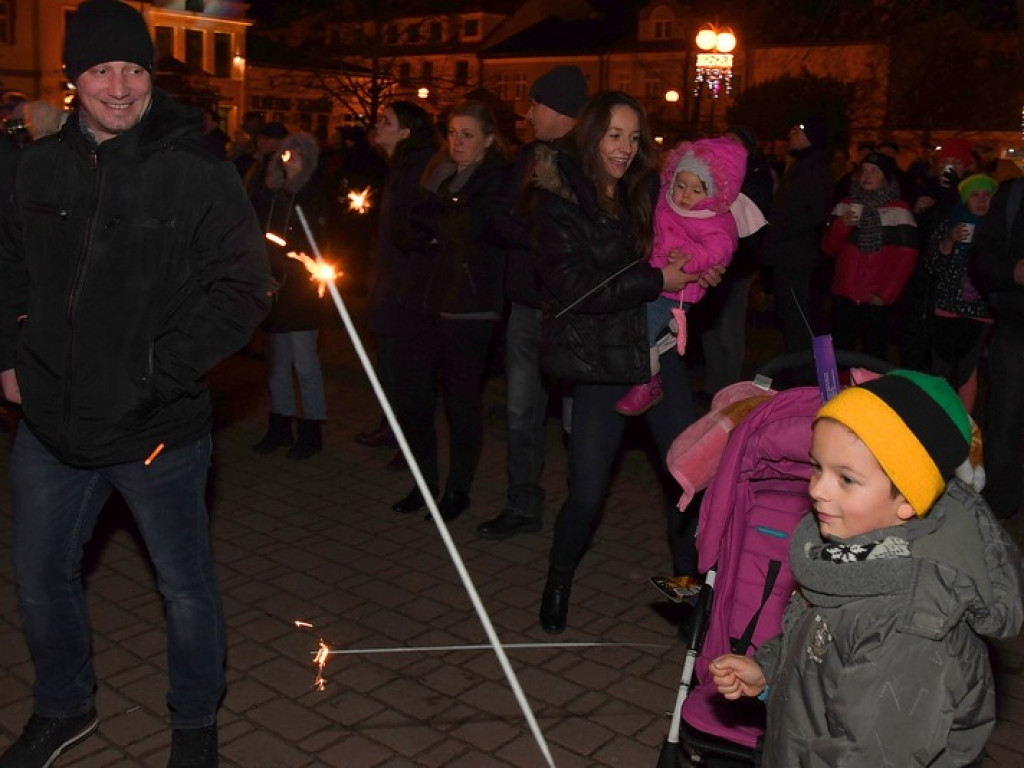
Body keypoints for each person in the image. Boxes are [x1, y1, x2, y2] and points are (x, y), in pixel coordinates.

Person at [0, 2, 271, 766]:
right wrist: (7, 358)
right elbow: (9, 264)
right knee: (39, 578)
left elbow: (247, 287)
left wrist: (160, 370)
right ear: (73, 78)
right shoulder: (39, 164)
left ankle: (193, 725)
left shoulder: (196, 169)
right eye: (100, 71)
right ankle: (64, 706)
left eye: (132, 70)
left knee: (185, 589)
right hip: (51, 421)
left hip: (157, 428)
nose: (118, 87)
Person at [709, 370, 1023, 765]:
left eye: (846, 479)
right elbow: (822, 648)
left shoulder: (911, 626)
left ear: (908, 497)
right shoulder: (849, 554)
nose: (817, 489)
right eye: (817, 467)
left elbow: (869, 754)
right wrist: (769, 671)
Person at [530, 91, 722, 634]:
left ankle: (690, 601)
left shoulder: (648, 191)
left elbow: (686, 239)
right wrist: (658, 279)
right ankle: (559, 576)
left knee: (690, 485)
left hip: (660, 354)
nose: (624, 148)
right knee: (588, 492)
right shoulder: (561, 199)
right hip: (604, 362)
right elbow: (571, 285)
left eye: (634, 137)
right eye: (614, 135)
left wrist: (700, 267)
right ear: (591, 135)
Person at [476, 64, 588, 541]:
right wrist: (541, 243)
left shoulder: (591, 161)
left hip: (573, 311)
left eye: (535, 104)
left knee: (579, 419)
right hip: (526, 307)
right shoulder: (527, 158)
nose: (527, 113)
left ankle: (583, 507)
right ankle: (524, 503)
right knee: (521, 411)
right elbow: (498, 217)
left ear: (558, 107)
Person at [389, 100, 511, 521]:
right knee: (415, 399)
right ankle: (423, 484)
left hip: (469, 306)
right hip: (424, 300)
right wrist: (437, 223)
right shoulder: (438, 173)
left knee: (460, 404)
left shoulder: (494, 179)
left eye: (468, 134)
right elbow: (404, 228)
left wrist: (436, 219)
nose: (457, 142)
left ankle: (457, 491)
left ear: (488, 141)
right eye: (453, 132)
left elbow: (465, 228)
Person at [614, 135, 751, 416]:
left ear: (713, 193)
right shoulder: (665, 202)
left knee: (643, 328)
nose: (685, 195)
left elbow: (720, 248)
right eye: (680, 185)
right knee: (642, 325)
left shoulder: (714, 219)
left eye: (696, 190)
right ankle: (669, 336)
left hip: (675, 290)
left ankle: (647, 382)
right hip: (655, 282)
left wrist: (691, 259)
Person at [355, 101, 441, 462]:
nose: (378, 125)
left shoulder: (418, 169)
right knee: (389, 359)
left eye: (386, 121)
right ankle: (392, 426)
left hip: (407, 284)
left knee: (405, 366)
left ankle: (409, 440)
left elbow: (420, 228)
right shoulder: (398, 169)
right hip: (391, 278)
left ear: (405, 132)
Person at [250, 132, 330, 460]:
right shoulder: (273, 194)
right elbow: (263, 236)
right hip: (275, 288)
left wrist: (291, 272)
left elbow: (317, 241)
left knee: (305, 362)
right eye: (286, 151)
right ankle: (280, 424)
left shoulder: (313, 195)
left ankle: (311, 428)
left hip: (303, 292)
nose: (290, 157)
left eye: (298, 152)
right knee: (277, 363)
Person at [693, 125, 774, 404]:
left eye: (734, 142)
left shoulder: (754, 174)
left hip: (738, 263)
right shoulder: (712, 173)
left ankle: (728, 387)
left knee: (729, 327)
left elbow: (748, 219)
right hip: (711, 261)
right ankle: (713, 384)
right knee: (710, 327)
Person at [821, 151, 918, 362]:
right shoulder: (845, 205)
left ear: (887, 177)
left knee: (873, 356)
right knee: (839, 353)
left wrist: (885, 295)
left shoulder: (899, 211)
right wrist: (842, 226)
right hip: (845, 293)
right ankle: (838, 393)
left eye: (874, 171)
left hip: (876, 299)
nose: (867, 175)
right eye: (864, 170)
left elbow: (906, 259)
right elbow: (829, 249)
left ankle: (868, 394)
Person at [969, 176, 1024, 519]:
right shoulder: (1013, 194)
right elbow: (981, 259)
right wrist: (1012, 273)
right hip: (1017, 331)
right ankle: (998, 512)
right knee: (1006, 420)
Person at [761, 118, 834, 353]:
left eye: (800, 129)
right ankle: (799, 375)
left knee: (801, 319)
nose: (792, 132)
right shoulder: (803, 165)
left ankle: (808, 378)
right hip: (790, 254)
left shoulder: (814, 168)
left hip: (797, 257)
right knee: (793, 318)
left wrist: (777, 228)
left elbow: (810, 214)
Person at [925, 173, 997, 410]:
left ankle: (965, 424)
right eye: (975, 195)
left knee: (968, 369)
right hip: (947, 307)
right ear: (965, 199)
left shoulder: (996, 229)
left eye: (987, 195)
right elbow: (931, 265)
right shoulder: (951, 223)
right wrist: (949, 242)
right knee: (941, 367)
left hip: (979, 311)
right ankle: (938, 417)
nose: (981, 200)